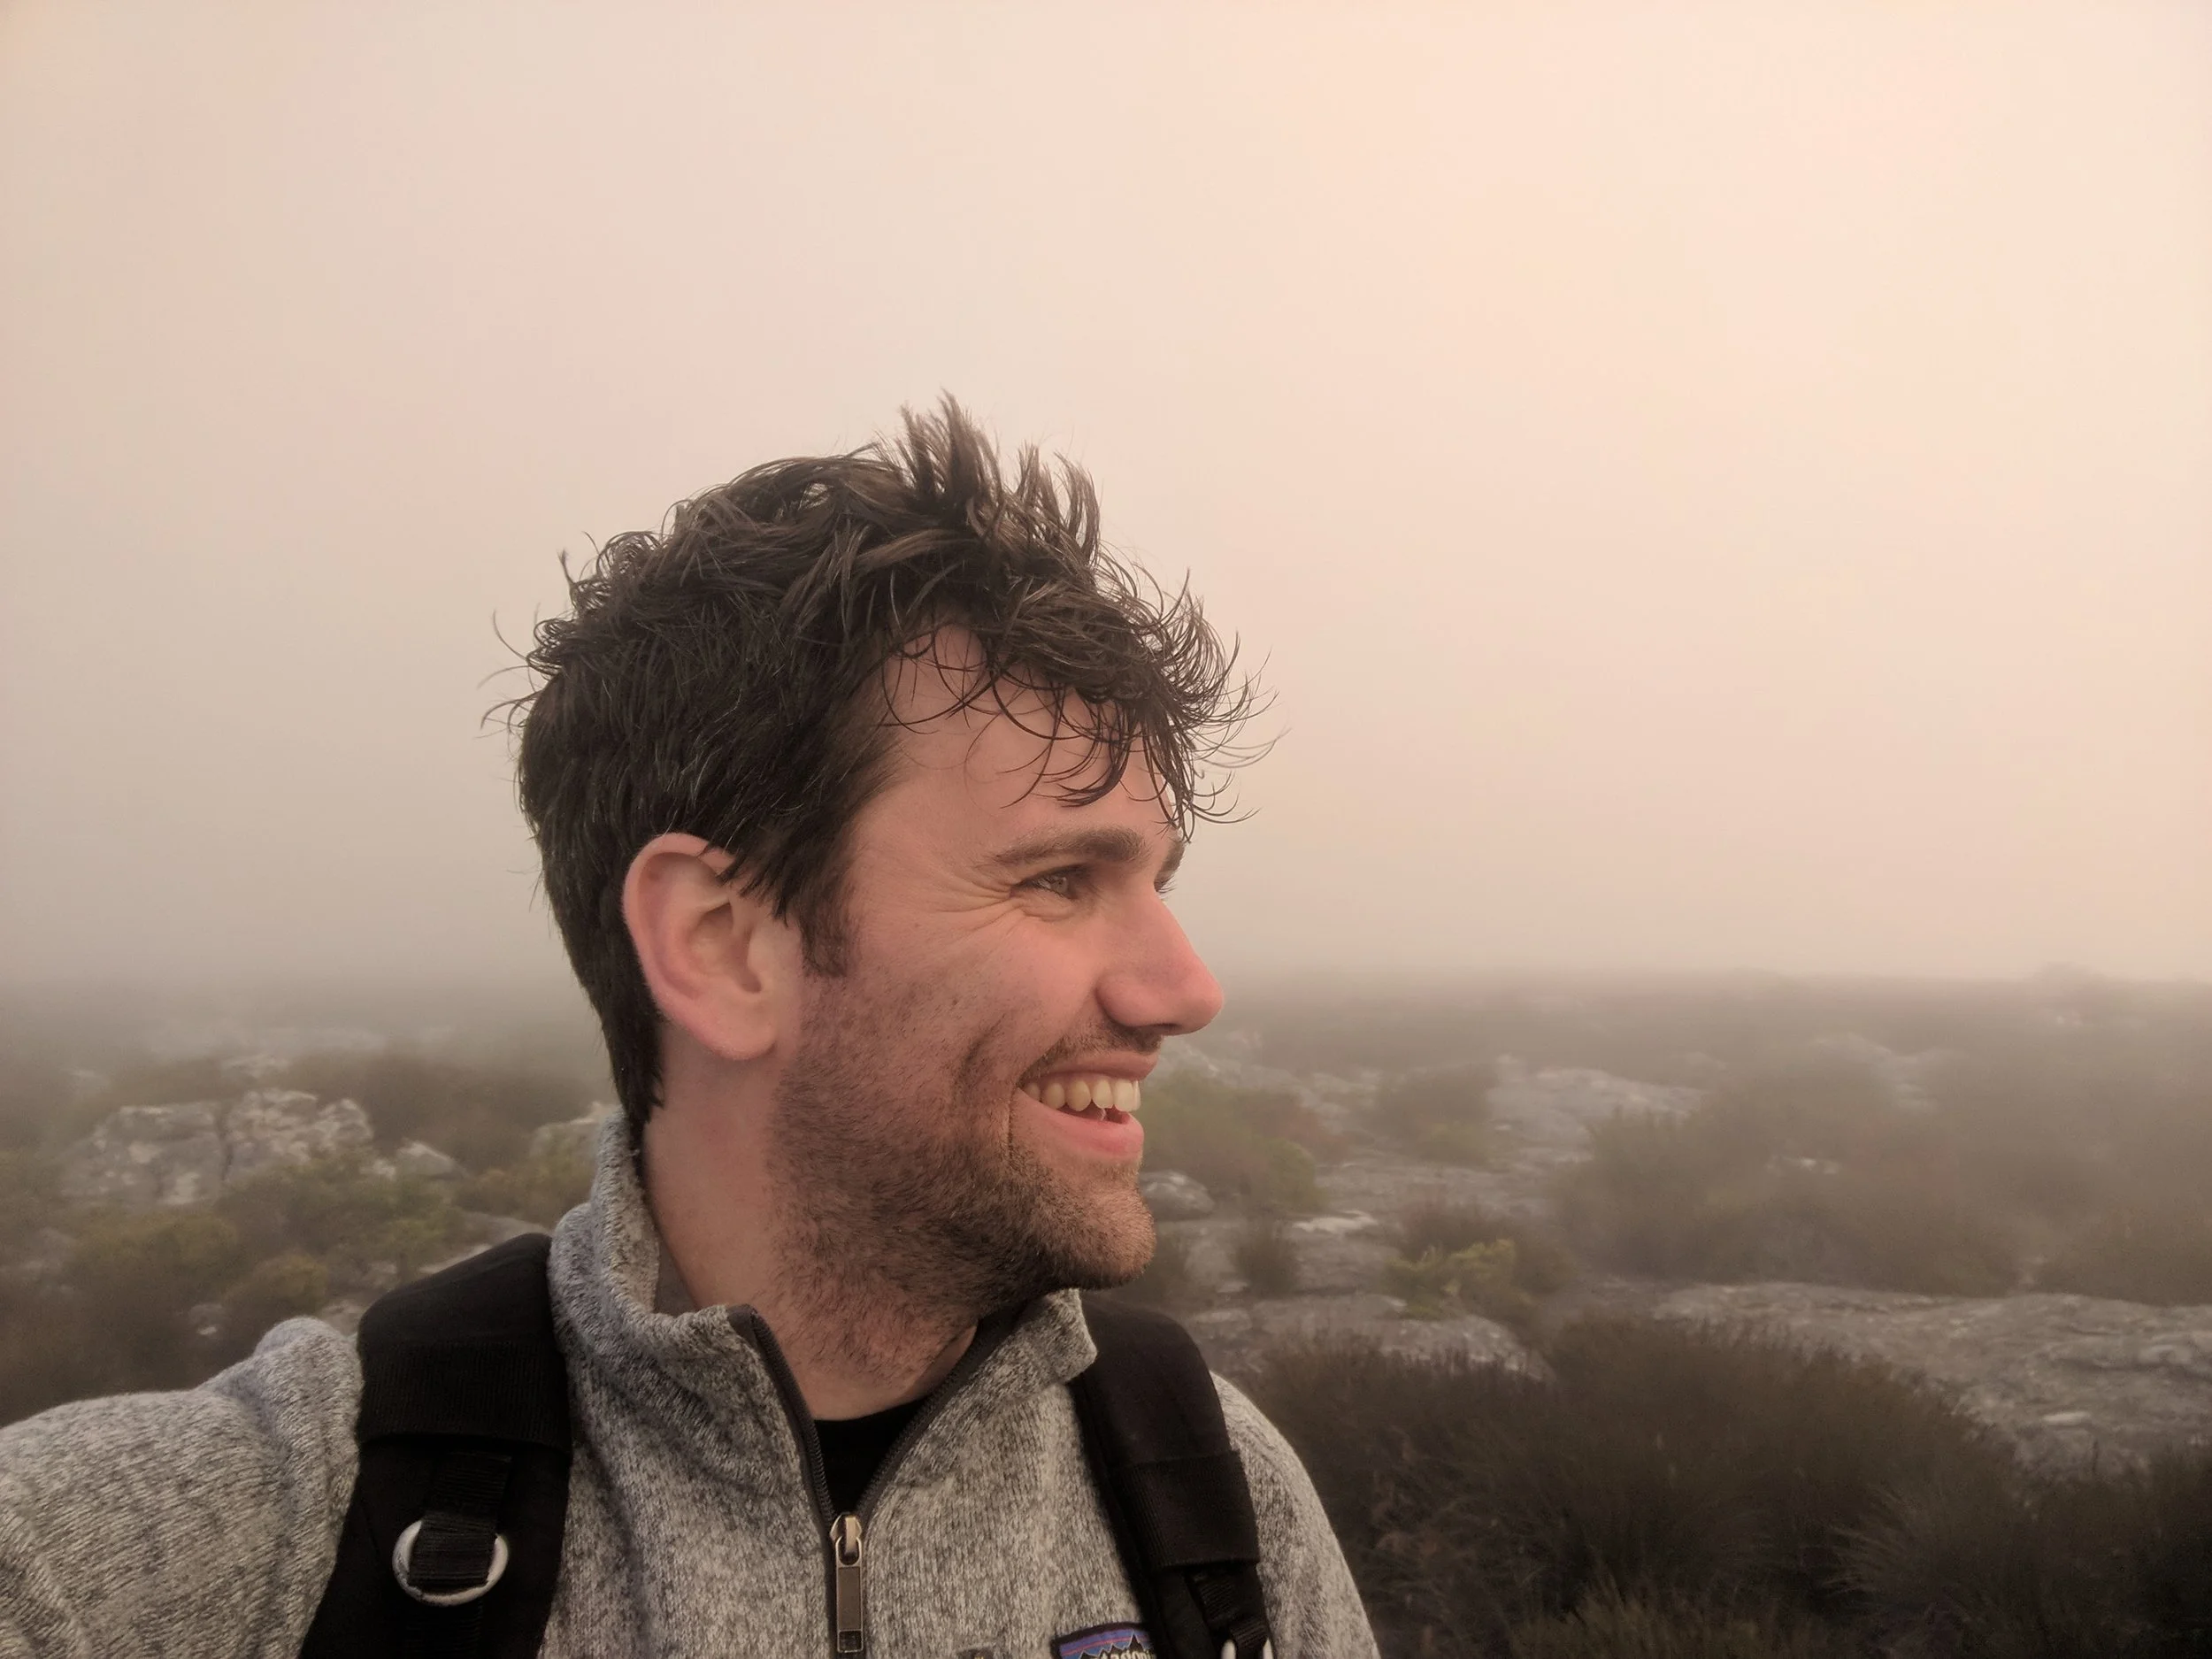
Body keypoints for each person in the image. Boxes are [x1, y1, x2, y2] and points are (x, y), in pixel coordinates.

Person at [0, 402, 1378, 1658]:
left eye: (1157, 882)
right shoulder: (261, 1533)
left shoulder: (1219, 1508)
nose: (1183, 988)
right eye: (1060, 879)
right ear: (721, 945)